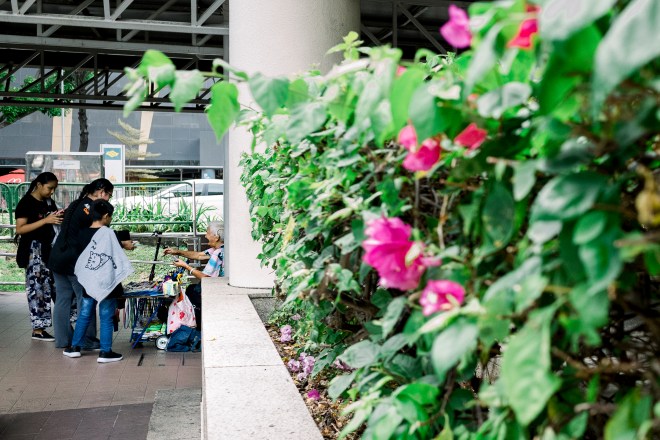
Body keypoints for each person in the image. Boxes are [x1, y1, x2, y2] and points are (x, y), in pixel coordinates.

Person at [49, 178, 115, 349]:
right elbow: (94, 235)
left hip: (58, 257)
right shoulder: (90, 209)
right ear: (102, 192)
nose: (108, 199)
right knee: (85, 298)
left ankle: (62, 340)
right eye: (109, 195)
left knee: (62, 299)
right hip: (74, 261)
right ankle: (87, 339)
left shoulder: (76, 203)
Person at [63, 200, 129, 362]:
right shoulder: (109, 233)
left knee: (84, 314)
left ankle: (75, 347)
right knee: (106, 316)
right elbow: (115, 256)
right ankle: (105, 352)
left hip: (88, 281)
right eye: (110, 216)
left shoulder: (81, 233)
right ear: (106, 216)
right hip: (106, 281)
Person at [14, 172, 63, 341]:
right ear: (39, 185)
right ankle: (38, 329)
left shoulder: (49, 202)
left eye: (54, 189)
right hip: (33, 252)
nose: (51, 192)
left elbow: (52, 220)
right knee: (37, 289)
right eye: (49, 188)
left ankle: (66, 322)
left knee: (55, 286)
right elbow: (20, 229)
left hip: (49, 250)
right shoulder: (26, 202)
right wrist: (45, 221)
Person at [163, 221, 224, 329]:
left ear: (216, 237)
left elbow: (206, 278)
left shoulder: (217, 253)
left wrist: (186, 267)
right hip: (217, 287)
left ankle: (189, 325)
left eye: (207, 233)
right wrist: (176, 252)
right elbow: (199, 255)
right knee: (190, 289)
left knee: (188, 294)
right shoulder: (220, 249)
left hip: (215, 290)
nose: (205, 235)